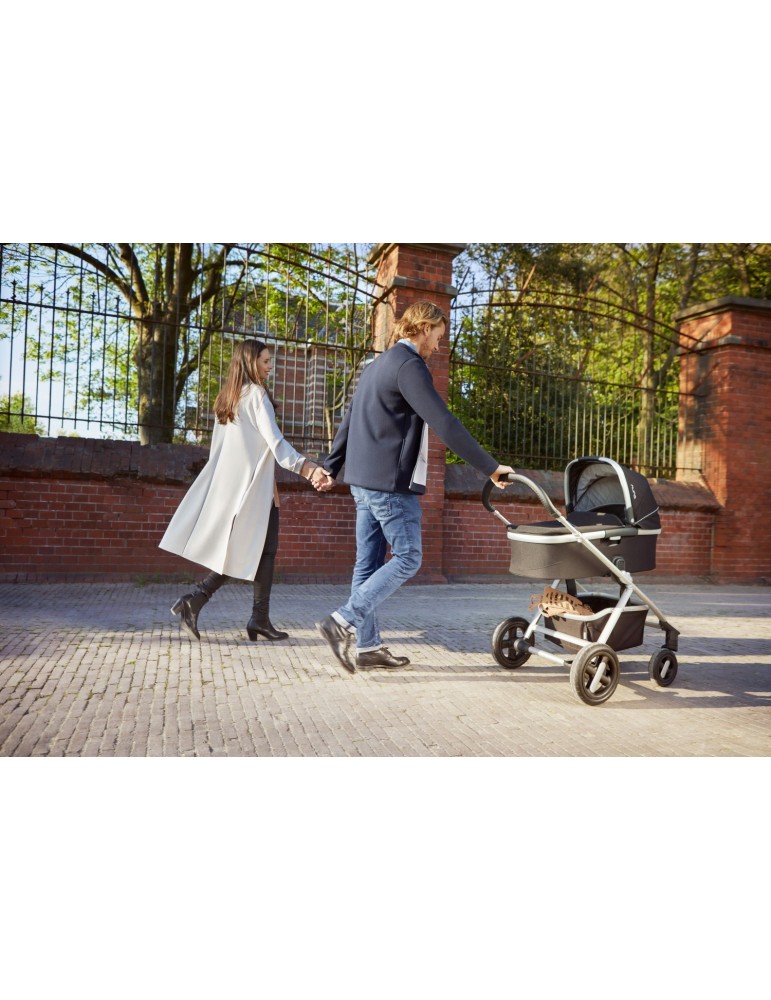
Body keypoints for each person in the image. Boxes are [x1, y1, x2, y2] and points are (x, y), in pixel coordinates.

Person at [315, 300, 515, 673]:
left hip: (362, 483)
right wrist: (489, 467)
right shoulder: (409, 365)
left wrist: (331, 466)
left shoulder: (377, 365)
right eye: (438, 336)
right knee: (408, 558)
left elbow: (349, 418)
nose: (439, 345)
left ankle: (368, 648)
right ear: (424, 328)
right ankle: (342, 620)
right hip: (390, 486)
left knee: (368, 564)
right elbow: (443, 421)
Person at [159, 339, 332, 642]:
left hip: (240, 487)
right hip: (252, 490)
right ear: (251, 363)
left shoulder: (228, 398)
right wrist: (309, 468)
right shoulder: (256, 395)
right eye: (265, 361)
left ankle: (255, 618)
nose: (270, 367)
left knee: (262, 550)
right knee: (252, 549)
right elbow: (276, 444)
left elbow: (224, 450)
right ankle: (200, 600)